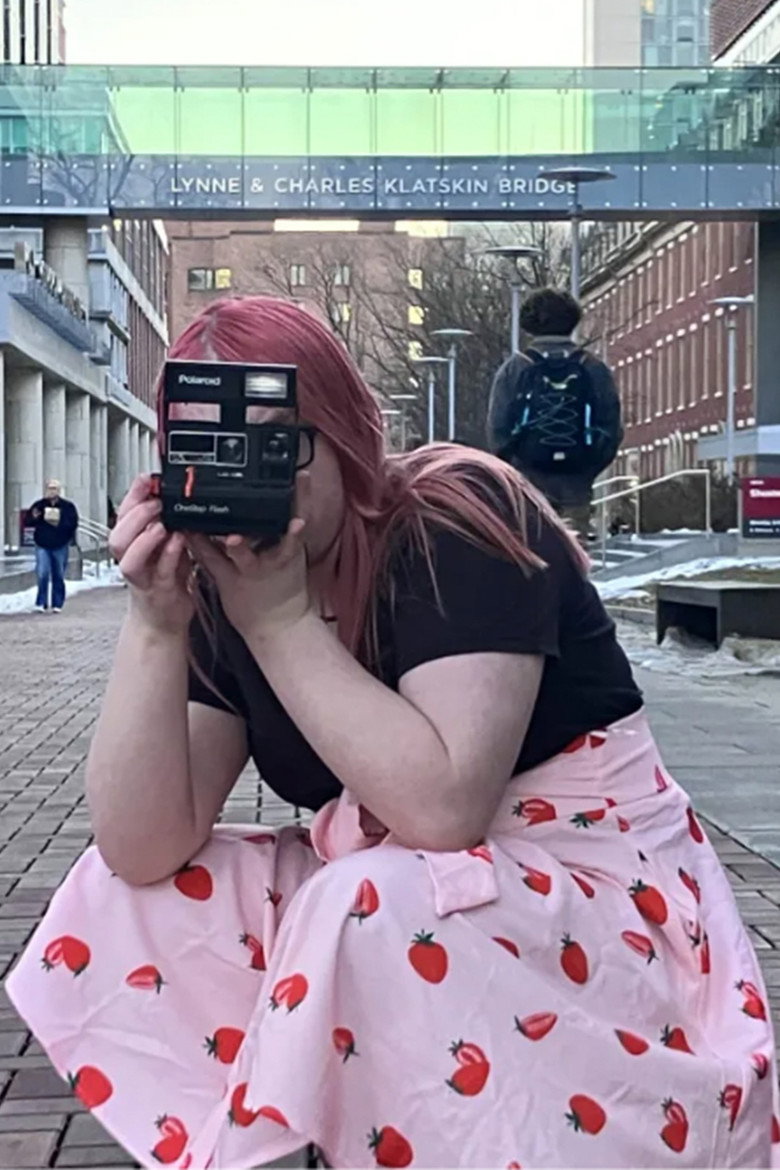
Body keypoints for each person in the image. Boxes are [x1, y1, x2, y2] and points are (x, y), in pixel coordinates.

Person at [7, 297, 777, 1170]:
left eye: (279, 442)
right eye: (209, 444)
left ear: (344, 432)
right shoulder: (226, 576)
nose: (248, 471)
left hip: (595, 886)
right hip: (421, 891)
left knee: (368, 902)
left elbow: (442, 809)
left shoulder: (458, 516)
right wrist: (154, 626)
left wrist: (279, 621)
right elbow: (142, 846)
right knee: (125, 896)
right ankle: (309, 1128)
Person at [487, 287, 623, 544]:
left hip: (527, 484)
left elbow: (498, 429)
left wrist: (515, 470)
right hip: (576, 484)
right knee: (574, 555)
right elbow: (611, 428)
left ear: (529, 323)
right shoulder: (593, 368)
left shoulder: (515, 368)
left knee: (532, 552)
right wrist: (587, 470)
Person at [27, 478, 79, 613]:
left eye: (54, 488)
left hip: (60, 544)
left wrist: (60, 523)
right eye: (50, 488)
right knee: (42, 573)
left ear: (59, 490)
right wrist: (35, 517)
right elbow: (28, 521)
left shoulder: (67, 506)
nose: (52, 491)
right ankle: (41, 602)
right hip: (42, 544)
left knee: (58, 574)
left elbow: (73, 523)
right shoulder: (39, 505)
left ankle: (57, 603)